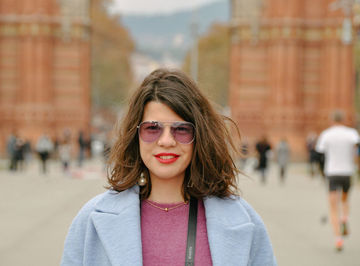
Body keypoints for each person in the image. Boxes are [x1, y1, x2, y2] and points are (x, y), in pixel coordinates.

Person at [61, 69, 276, 265]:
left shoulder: (244, 221)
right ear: (136, 136)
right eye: (152, 128)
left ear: (199, 137)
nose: (166, 141)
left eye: (181, 129)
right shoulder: (91, 221)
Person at [315, 110, 360, 251]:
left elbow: (319, 155)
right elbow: (358, 149)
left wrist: (322, 172)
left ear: (332, 120)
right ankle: (345, 218)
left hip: (332, 173)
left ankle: (338, 239)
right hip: (347, 172)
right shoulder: (352, 133)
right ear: (344, 120)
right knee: (345, 200)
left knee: (333, 207)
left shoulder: (326, 134)